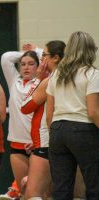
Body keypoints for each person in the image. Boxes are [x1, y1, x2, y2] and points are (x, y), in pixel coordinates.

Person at [46, 31, 99, 199]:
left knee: (61, 188)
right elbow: (93, 111)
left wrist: (55, 133)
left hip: (57, 130)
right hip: (84, 130)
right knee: (94, 184)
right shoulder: (92, 74)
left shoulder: (56, 75)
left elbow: (49, 114)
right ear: (90, 50)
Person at [21, 41, 66, 199]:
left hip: (47, 141)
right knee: (58, 192)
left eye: (44, 55)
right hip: (63, 139)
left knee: (33, 195)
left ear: (55, 58)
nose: (42, 60)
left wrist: (37, 79)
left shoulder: (48, 81)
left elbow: (25, 106)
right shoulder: (69, 78)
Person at [0, 48, 41, 197]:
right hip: (17, 143)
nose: (26, 67)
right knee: (24, 192)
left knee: (37, 192)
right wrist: (29, 51)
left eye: (31, 64)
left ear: (38, 66)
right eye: (23, 64)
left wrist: (37, 51)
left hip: (38, 143)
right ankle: (14, 191)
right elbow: (6, 58)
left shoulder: (42, 82)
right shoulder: (14, 82)